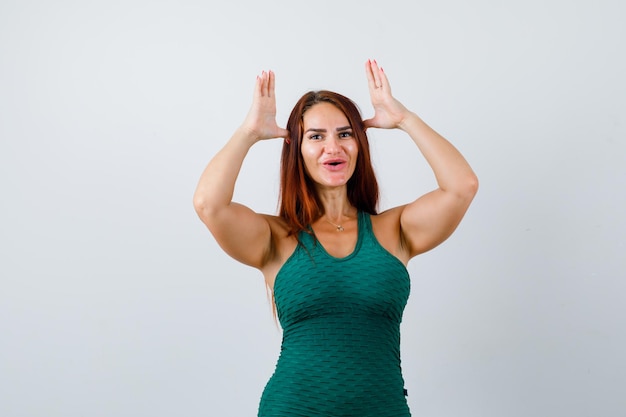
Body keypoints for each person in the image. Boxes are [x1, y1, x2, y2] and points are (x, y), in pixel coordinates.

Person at [193, 59, 478, 416]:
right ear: (296, 148)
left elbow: (462, 187)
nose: (334, 147)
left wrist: (405, 119)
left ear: (359, 143)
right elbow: (209, 204)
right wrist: (249, 132)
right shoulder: (276, 238)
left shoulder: (396, 230)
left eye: (345, 134)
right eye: (316, 136)